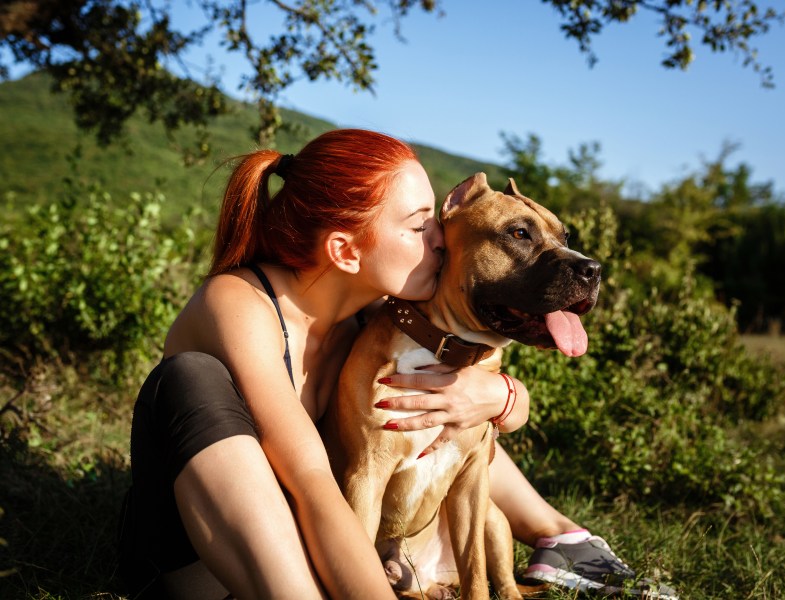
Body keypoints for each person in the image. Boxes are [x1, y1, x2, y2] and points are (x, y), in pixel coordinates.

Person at [117, 128, 675, 600]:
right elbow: (312, 483)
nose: (442, 240)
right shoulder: (239, 305)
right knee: (192, 379)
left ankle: (561, 538)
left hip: (317, 547)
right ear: (345, 251)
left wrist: (499, 395)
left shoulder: (375, 322)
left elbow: (450, 424)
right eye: (419, 226)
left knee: (425, 400)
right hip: (208, 561)